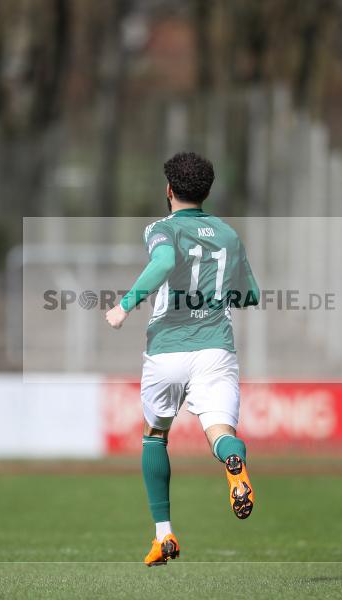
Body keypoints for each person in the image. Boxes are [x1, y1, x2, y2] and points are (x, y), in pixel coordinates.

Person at [104, 152, 261, 567]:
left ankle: (164, 535)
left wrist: (124, 305)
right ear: (207, 192)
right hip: (214, 349)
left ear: (169, 190)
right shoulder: (229, 235)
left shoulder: (160, 229)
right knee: (220, 431)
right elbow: (250, 295)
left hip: (167, 351)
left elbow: (163, 262)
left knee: (155, 434)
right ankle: (234, 461)